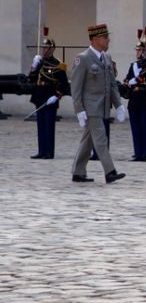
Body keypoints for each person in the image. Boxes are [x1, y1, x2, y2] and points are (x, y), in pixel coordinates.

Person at [70, 23, 127, 184]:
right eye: (105, 37)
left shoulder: (106, 57)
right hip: (91, 108)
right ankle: (110, 172)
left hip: (103, 107)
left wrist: (119, 105)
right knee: (101, 140)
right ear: (95, 39)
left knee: (87, 140)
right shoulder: (83, 58)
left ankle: (78, 171)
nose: (108, 40)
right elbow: (76, 87)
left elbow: (112, 84)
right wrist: (79, 109)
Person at [27, 26, 69, 159]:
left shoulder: (59, 64)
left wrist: (57, 96)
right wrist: (34, 68)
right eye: (43, 48)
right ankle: (41, 150)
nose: (44, 50)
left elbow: (63, 84)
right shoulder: (40, 61)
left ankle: (49, 152)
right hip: (39, 95)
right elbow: (32, 79)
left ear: (52, 49)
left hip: (50, 95)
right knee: (40, 125)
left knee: (49, 125)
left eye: (46, 48)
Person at [123, 27, 146, 162]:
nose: (138, 52)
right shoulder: (134, 65)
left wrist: (134, 81)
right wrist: (129, 81)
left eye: (140, 50)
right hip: (134, 98)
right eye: (137, 50)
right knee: (136, 127)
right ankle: (138, 152)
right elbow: (128, 79)